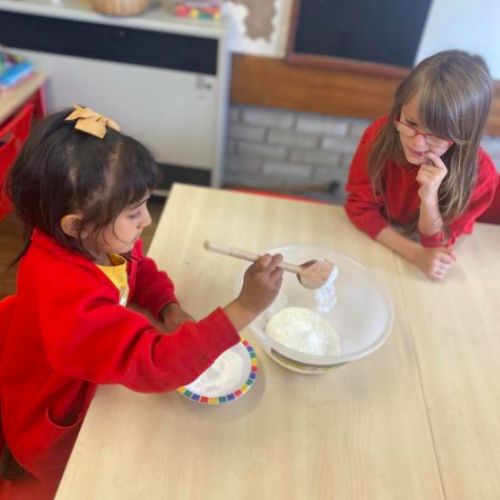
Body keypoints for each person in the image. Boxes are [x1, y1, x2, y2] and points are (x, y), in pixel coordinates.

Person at [0, 106, 283, 497]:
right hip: (53, 409)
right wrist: (246, 308)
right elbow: (153, 364)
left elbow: (137, 268)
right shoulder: (68, 295)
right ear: (76, 224)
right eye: (134, 213)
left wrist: (167, 307)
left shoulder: (94, 240)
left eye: (146, 205)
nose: (147, 222)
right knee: (78, 479)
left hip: (74, 363)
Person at [345, 50, 498, 280]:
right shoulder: (379, 134)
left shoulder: (481, 173)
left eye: (436, 135)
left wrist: (429, 199)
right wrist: (416, 254)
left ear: (463, 136)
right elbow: (359, 208)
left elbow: (438, 243)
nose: (417, 143)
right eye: (410, 122)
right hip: (381, 239)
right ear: (400, 107)